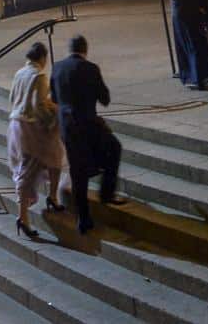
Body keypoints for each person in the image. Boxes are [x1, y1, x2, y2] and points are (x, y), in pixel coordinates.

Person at [49, 34, 123, 235]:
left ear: (69, 49)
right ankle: (106, 193)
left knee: (77, 170)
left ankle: (83, 218)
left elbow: (54, 97)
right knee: (114, 149)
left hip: (67, 127)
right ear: (85, 50)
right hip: (88, 124)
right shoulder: (90, 68)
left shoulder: (57, 68)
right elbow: (105, 98)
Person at [6, 40, 66, 239]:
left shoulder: (19, 73)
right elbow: (39, 104)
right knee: (44, 161)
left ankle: (47, 200)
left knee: (38, 162)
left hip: (15, 124)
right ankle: (25, 216)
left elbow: (13, 97)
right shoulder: (39, 75)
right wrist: (52, 118)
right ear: (43, 58)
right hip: (30, 126)